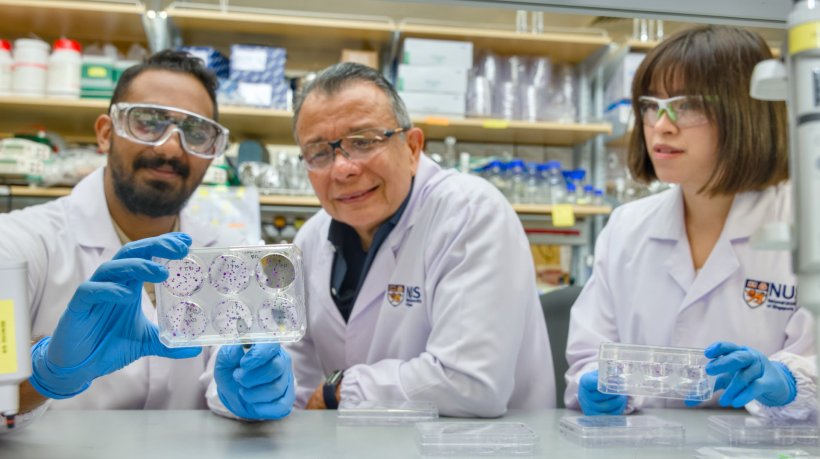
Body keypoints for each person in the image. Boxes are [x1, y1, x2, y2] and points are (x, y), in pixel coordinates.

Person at [0, 50, 294, 429]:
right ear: (106, 133)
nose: (170, 148)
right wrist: (46, 375)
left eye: (195, 132)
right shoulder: (17, 244)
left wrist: (246, 388)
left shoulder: (231, 257)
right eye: (148, 122)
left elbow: (237, 371)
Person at [565, 25, 815, 420]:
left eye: (688, 105)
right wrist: (596, 383)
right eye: (651, 105)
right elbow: (588, 355)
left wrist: (788, 382)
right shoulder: (627, 226)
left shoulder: (807, 223)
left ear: (746, 112)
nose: (661, 125)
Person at [285, 62, 554, 417]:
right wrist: (264, 388)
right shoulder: (312, 236)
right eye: (319, 152)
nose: (343, 168)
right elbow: (295, 374)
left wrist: (340, 391)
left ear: (412, 148)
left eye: (363, 142)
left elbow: (470, 385)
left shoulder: (469, 211)